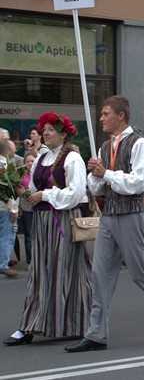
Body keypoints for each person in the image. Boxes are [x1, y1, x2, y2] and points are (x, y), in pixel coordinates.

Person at [66, 95, 144, 352]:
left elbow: (138, 183)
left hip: (131, 214)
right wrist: (95, 173)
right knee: (100, 275)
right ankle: (96, 333)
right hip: (108, 216)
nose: (101, 118)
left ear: (120, 115)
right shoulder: (104, 147)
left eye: (106, 113)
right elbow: (97, 188)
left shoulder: (139, 143)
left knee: (140, 272)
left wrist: (105, 173)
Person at [4, 112, 92, 346]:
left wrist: (45, 194)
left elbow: (76, 194)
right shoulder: (42, 157)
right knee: (40, 272)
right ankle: (30, 324)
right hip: (42, 221)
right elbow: (33, 187)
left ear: (63, 133)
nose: (45, 132)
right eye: (44, 129)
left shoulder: (73, 158)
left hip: (63, 220)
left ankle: (82, 324)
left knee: (68, 270)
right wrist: (25, 193)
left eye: (51, 129)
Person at [0, 140, 20, 277]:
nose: (15, 151)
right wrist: (13, 209)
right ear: (6, 150)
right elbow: (9, 189)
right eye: (13, 148)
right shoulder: (5, 165)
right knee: (7, 236)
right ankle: (3, 264)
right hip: (5, 207)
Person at [17, 153, 36, 265]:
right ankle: (30, 260)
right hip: (26, 208)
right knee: (28, 236)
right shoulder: (21, 176)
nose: (30, 163)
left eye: (32, 161)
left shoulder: (39, 174)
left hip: (39, 208)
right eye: (27, 161)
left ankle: (41, 258)